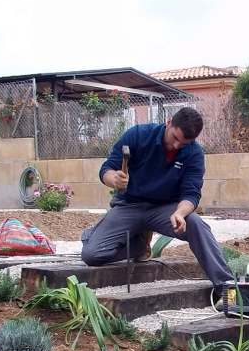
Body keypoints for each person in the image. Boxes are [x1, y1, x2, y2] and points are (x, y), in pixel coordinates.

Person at [80, 106, 234, 288]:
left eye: (183, 144)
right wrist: (114, 179)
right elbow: (106, 169)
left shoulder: (194, 154)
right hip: (129, 205)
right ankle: (138, 246)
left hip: (165, 210)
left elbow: (191, 194)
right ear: (168, 122)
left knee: (196, 225)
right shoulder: (137, 135)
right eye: (175, 138)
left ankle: (227, 285)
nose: (177, 146)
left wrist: (180, 213)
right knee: (91, 254)